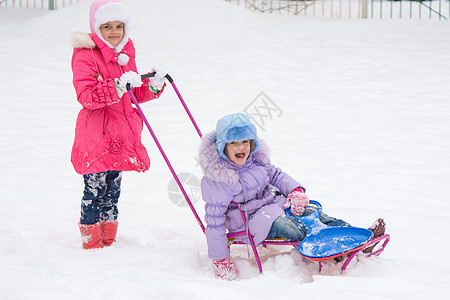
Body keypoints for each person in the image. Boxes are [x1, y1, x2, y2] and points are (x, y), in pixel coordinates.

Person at [198, 113, 386, 280]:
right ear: (223, 147)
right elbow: (214, 222)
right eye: (234, 143)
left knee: (314, 213)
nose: (241, 147)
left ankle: (354, 234)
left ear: (252, 143)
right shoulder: (219, 179)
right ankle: (336, 252)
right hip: (250, 220)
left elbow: (276, 175)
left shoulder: (257, 161)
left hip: (274, 204)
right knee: (292, 229)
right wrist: (220, 258)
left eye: (245, 141)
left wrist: (295, 191)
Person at [70, 0, 166, 249]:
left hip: (120, 134)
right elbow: (86, 96)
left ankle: (109, 242)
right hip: (96, 134)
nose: (114, 32)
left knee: (112, 192)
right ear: (96, 28)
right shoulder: (86, 54)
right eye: (107, 26)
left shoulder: (124, 54)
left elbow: (131, 94)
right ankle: (91, 245)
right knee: (94, 191)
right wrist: (117, 86)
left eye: (119, 26)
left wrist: (152, 85)